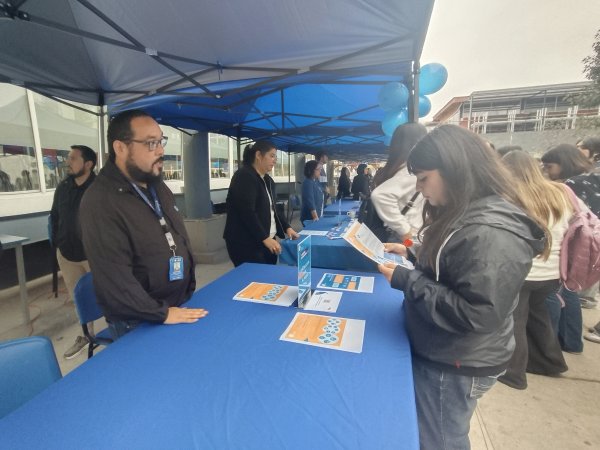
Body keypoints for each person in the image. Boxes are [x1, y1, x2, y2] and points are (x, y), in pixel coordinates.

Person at [378, 125, 546, 449]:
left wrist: (406, 279)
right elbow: (453, 260)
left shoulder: (491, 233)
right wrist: (410, 250)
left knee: (440, 438)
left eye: (424, 178)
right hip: (451, 352)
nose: (419, 188)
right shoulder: (471, 213)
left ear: (454, 169)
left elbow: (476, 312)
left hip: (456, 361)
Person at [80, 110, 207, 340]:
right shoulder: (100, 201)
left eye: (161, 141)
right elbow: (115, 281)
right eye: (150, 143)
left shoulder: (156, 185)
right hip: (140, 321)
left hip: (176, 306)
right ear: (120, 148)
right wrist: (161, 313)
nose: (160, 151)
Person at [497, 151, 570, 389]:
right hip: (552, 271)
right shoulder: (559, 193)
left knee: (515, 320)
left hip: (525, 271)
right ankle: (550, 361)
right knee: (538, 317)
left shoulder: (511, 196)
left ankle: (513, 373)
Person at [541, 144, 591, 349]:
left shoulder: (570, 185)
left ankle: (558, 343)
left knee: (561, 292)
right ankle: (572, 342)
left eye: (549, 167)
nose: (547, 172)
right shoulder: (591, 179)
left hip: (572, 244)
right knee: (569, 290)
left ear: (564, 164)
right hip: (586, 243)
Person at [50, 145, 97, 359]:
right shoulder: (63, 187)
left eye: (72, 158)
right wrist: (58, 243)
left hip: (94, 255)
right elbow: (55, 216)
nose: (67, 162)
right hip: (67, 255)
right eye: (68, 158)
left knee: (107, 293)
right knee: (79, 299)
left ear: (88, 164)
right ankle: (86, 335)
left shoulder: (99, 189)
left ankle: (118, 330)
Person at [224, 140, 299, 266]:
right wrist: (264, 238)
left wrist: (287, 227)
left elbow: (274, 209)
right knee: (255, 276)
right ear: (258, 155)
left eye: (275, 157)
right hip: (246, 243)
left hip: (267, 240)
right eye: (272, 156)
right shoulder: (244, 176)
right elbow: (247, 212)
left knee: (268, 275)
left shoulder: (267, 180)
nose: (275, 161)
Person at [370, 122, 427, 242]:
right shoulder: (410, 170)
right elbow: (379, 195)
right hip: (408, 237)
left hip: (400, 235)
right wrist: (404, 230)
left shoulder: (398, 168)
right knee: (408, 254)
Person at [300, 160, 324, 224]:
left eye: (320, 169)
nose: (320, 171)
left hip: (318, 214)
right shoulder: (308, 183)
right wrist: (315, 217)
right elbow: (310, 202)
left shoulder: (315, 181)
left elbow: (320, 191)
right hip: (310, 218)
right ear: (311, 170)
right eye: (318, 169)